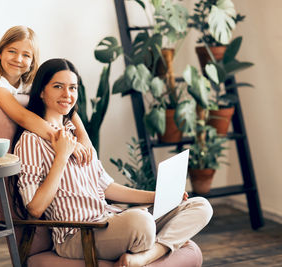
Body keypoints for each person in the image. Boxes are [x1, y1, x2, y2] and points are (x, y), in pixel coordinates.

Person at [14, 58, 213, 267]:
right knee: (142, 222)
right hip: (78, 236)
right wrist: (62, 157)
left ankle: (145, 257)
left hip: (108, 220)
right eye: (58, 87)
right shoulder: (31, 141)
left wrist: (159, 197)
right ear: (41, 92)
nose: (67, 94)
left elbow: (107, 187)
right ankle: (154, 248)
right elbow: (35, 208)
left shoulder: (77, 137)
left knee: (200, 206)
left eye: (72, 88)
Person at [0, 26, 93, 267]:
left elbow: (66, 107)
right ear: (0, 52)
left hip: (10, 151)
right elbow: (22, 117)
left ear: (33, 61)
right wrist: (65, 142)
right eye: (12, 51)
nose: (18, 59)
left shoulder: (28, 82)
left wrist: (83, 138)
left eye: (26, 55)